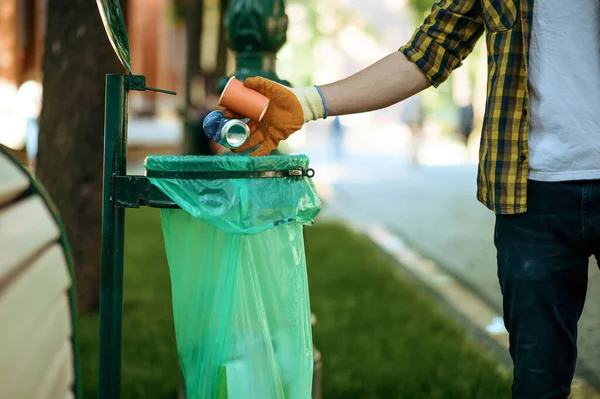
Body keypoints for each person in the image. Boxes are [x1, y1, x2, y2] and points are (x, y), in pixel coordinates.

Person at [223, 2, 600, 397]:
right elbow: (426, 53)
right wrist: (306, 103)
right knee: (538, 384)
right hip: (530, 195)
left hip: (535, 197)